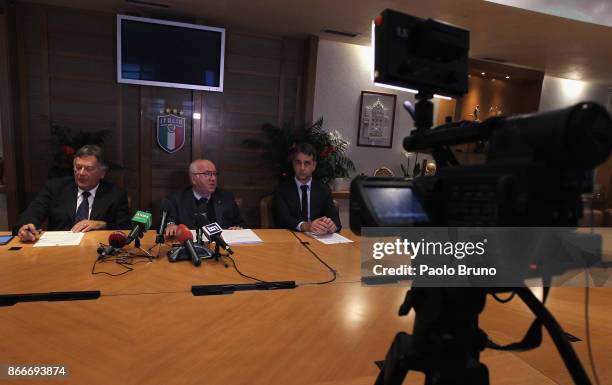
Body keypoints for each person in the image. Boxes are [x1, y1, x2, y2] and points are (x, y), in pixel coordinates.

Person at [13, 145, 131, 241]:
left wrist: (103, 225)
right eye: (78, 167)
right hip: (57, 251)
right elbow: (33, 212)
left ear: (102, 173)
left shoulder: (115, 194)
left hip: (97, 249)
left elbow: (125, 228)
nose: (81, 173)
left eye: (88, 169)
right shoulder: (55, 188)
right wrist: (27, 226)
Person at [162, 159, 245, 237]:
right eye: (207, 174)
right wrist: (171, 225)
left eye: (214, 174)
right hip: (190, 247)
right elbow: (168, 220)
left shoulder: (226, 197)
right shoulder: (176, 199)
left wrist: (237, 229)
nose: (213, 178)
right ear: (194, 179)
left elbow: (240, 224)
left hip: (222, 245)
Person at [273, 142, 341, 234]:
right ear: (293, 164)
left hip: (318, 240)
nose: (302, 168)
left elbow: (335, 219)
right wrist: (305, 226)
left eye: (307, 163)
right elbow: (282, 219)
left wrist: (332, 225)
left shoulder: (323, 189)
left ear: (314, 166)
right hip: (291, 238)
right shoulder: (282, 189)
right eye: (298, 162)